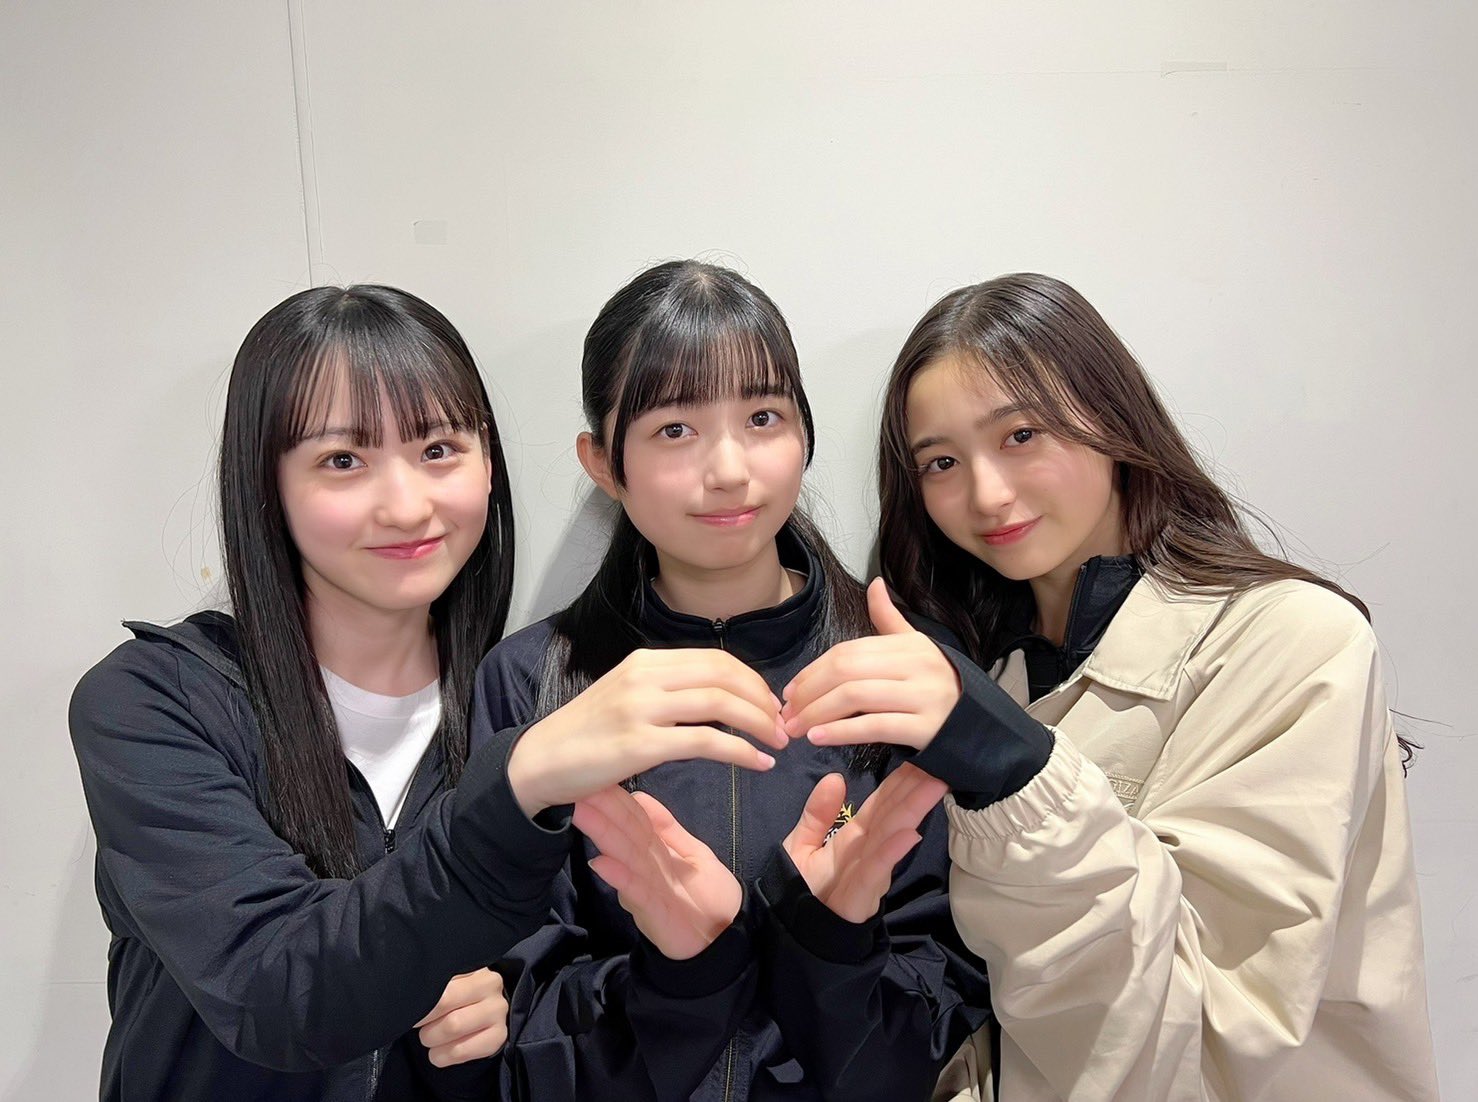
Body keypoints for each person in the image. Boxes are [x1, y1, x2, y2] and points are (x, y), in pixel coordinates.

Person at [69, 284, 781, 1102]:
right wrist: (516, 787)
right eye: (343, 461)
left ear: (488, 465)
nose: (407, 506)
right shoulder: (156, 702)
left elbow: (567, 1030)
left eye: (439, 449)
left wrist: (519, 1012)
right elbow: (277, 989)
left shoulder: (516, 694)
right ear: (265, 484)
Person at [781, 272, 1439, 1100]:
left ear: (1110, 418)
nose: (987, 493)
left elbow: (1206, 1037)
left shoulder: (1293, 642)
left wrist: (1015, 772)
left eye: (1021, 435)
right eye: (942, 462)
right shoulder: (994, 679)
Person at [477, 260, 992, 1100]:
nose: (728, 468)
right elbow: (520, 1014)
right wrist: (680, 973)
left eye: (762, 417)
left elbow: (936, 1023)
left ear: (805, 434)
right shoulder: (532, 680)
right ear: (603, 463)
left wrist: (831, 945)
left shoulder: (900, 671)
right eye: (675, 429)